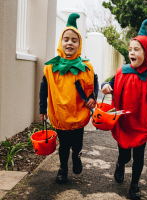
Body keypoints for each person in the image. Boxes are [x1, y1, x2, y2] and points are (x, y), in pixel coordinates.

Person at [101, 19, 147, 200]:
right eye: (130, 49)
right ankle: (120, 165)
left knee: (138, 157)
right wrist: (106, 86)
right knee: (125, 156)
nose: (132, 52)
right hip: (124, 122)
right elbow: (109, 83)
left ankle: (135, 184)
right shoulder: (122, 72)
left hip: (142, 123)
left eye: (136, 49)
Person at [39, 13, 99, 184]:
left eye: (74, 40)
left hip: (78, 112)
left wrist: (92, 97)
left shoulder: (85, 67)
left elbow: (93, 83)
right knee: (64, 145)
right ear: (60, 42)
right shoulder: (51, 67)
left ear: (79, 44)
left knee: (77, 144)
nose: (69, 43)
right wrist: (42, 109)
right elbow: (44, 89)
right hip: (60, 114)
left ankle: (77, 156)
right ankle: (63, 168)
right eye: (66, 39)